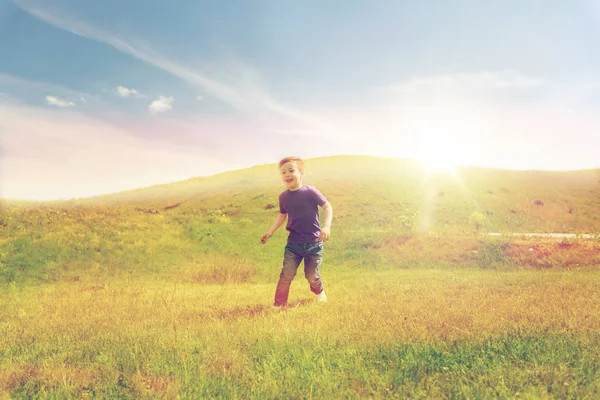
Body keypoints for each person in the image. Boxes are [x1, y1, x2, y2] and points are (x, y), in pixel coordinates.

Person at [260, 156, 333, 308]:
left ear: (301, 174)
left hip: (314, 243)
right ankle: (279, 305)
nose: (287, 174)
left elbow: (327, 207)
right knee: (286, 274)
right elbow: (282, 215)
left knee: (311, 275)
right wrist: (270, 232)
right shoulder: (283, 197)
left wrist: (326, 227)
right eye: (283, 172)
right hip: (293, 243)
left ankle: (320, 292)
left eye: (291, 170)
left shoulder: (310, 191)